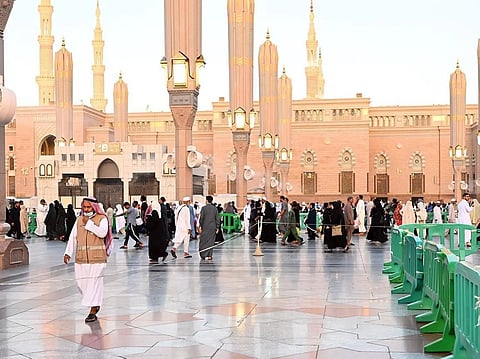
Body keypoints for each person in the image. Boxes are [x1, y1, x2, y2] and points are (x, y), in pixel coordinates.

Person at [63, 197, 113, 323]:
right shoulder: (79, 220)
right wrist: (68, 252)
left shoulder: (102, 219)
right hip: (81, 258)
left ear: (94, 207)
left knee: (94, 283)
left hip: (97, 258)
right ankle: (93, 302)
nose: (86, 209)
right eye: (84, 207)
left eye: (88, 207)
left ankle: (93, 309)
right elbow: (73, 237)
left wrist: (89, 223)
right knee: (82, 283)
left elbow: (102, 233)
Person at [197, 195, 220, 260]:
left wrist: (200, 226)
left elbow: (201, 218)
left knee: (203, 241)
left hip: (205, 227)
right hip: (212, 227)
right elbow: (217, 218)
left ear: (207, 200)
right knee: (211, 241)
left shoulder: (203, 208)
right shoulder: (215, 208)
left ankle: (203, 254)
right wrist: (217, 227)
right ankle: (209, 255)